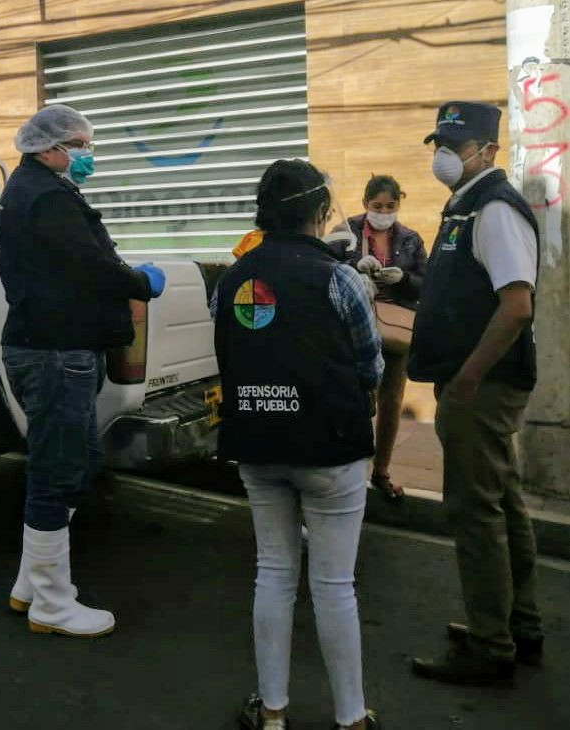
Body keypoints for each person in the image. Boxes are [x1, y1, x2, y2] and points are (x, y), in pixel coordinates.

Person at [212, 159, 382, 730]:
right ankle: (352, 718)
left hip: (258, 443)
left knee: (273, 573)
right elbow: (371, 363)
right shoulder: (341, 278)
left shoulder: (234, 279)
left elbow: (229, 354)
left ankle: (274, 713)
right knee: (335, 585)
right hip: (332, 448)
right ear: (319, 212)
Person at [0, 105, 166, 638]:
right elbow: (87, 264)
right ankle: (52, 602)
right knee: (58, 469)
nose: (87, 155)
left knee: (77, 459)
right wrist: (138, 281)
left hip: (60, 349)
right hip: (54, 353)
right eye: (81, 145)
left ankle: (30, 583)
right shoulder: (44, 195)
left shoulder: (39, 189)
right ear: (50, 148)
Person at [408, 101, 543, 685]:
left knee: (474, 510)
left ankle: (491, 647)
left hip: (482, 387)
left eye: (456, 143)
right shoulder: (465, 206)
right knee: (502, 501)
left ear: (488, 149)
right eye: (440, 141)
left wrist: (465, 380)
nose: (444, 153)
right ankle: (518, 625)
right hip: (475, 384)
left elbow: (516, 306)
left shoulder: (494, 209)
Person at [334, 176, 428, 499]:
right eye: (377, 206)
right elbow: (326, 265)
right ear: (365, 204)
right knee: (357, 395)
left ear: (398, 205)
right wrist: (355, 265)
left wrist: (402, 279)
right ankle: (350, 468)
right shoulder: (347, 230)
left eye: (390, 206)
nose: (384, 212)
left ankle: (381, 470)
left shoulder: (411, 239)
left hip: (397, 328)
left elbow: (425, 284)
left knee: (391, 399)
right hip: (356, 324)